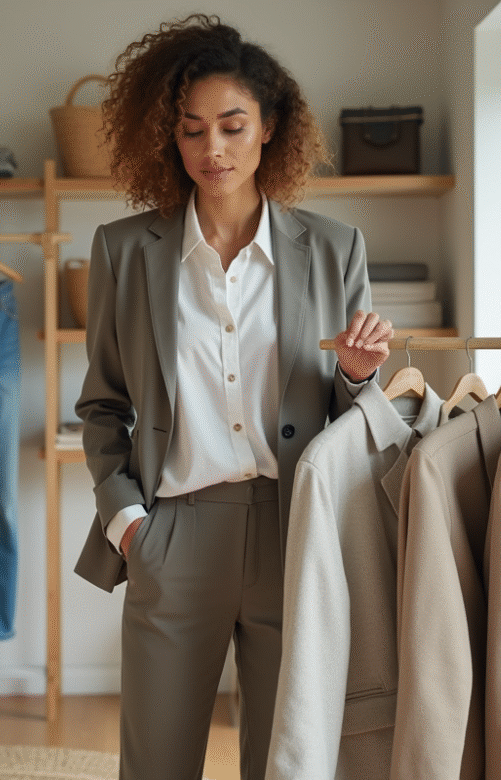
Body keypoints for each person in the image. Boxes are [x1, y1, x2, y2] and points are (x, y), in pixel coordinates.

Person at [72, 14, 393, 780]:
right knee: (155, 763)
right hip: (172, 534)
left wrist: (355, 375)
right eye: (191, 130)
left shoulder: (334, 247)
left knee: (288, 760)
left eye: (232, 125)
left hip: (297, 529)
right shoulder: (123, 251)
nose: (211, 149)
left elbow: (357, 418)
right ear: (167, 138)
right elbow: (103, 405)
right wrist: (127, 524)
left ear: (271, 128)